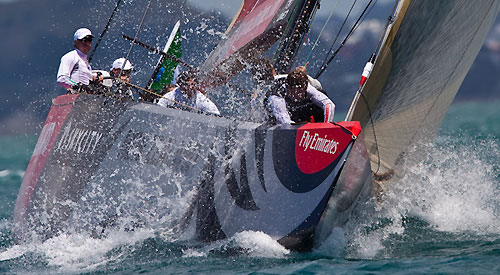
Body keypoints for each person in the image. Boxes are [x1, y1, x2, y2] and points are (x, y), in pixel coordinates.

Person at [267, 69, 335, 124]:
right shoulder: (277, 96)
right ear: (288, 88)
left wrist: (327, 125)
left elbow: (329, 104)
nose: (298, 95)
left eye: (301, 91)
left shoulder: (308, 88)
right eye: (294, 92)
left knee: (321, 95)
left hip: (298, 105)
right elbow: (284, 121)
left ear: (305, 87)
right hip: (274, 110)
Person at [56, 28, 100, 93]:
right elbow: (61, 78)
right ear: (76, 42)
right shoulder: (71, 56)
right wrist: (76, 86)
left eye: (89, 40)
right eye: (84, 40)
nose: (87, 43)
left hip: (86, 98)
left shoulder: (86, 64)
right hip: (75, 98)